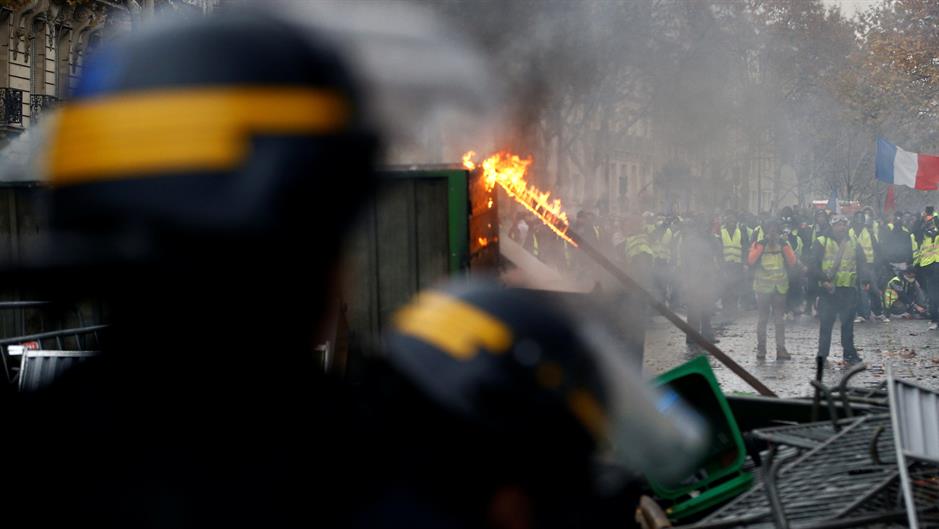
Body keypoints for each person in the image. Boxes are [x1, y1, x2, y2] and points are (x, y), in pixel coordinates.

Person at [811, 215, 865, 365]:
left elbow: (862, 263)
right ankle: (822, 355)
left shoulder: (853, 242)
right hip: (828, 291)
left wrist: (866, 280)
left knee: (847, 324)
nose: (841, 228)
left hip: (848, 289)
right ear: (832, 226)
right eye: (838, 225)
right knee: (826, 324)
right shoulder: (822, 241)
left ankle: (849, 354)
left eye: (843, 225)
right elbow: (813, 265)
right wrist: (823, 280)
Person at [749, 219, 798, 361]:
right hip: (763, 288)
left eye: (775, 230)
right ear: (766, 231)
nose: (772, 232)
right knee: (763, 319)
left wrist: (784, 246)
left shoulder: (784, 245)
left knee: (779, 320)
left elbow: (792, 262)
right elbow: (751, 261)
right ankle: (761, 349)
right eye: (770, 229)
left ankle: (781, 349)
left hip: (779, 287)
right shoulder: (759, 245)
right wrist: (761, 247)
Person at [677, 214, 721, 344]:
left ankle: (707, 335)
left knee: (707, 310)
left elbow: (717, 253)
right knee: (693, 311)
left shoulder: (711, 239)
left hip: (707, 279)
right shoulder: (690, 241)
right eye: (704, 225)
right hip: (694, 280)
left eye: (707, 225)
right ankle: (692, 337)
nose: (706, 228)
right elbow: (684, 262)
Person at [850, 211, 885, 322]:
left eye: (861, 219)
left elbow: (877, 249)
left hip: (869, 265)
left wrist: (878, 264)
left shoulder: (869, 233)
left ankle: (878, 312)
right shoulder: (849, 232)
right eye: (857, 219)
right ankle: (861, 314)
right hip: (854, 265)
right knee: (859, 291)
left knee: (873, 289)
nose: (859, 221)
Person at [719, 211, 748, 318]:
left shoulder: (741, 232)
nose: (731, 222)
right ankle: (726, 307)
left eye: (733, 220)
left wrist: (745, 263)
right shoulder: (721, 232)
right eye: (729, 220)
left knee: (736, 286)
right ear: (726, 222)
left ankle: (734, 307)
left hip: (737, 264)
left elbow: (745, 248)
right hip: (725, 264)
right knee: (725, 287)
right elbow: (718, 249)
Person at [917, 213, 939, 330]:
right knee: (932, 296)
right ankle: (935, 319)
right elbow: (915, 230)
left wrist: (934, 217)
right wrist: (922, 219)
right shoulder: (923, 235)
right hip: (928, 268)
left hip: (937, 265)